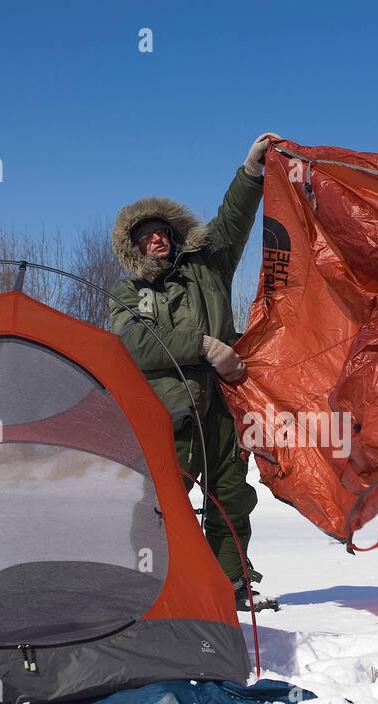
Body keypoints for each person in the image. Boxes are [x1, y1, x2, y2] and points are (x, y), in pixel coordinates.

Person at [109, 132, 279, 610]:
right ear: (135, 249)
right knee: (162, 500)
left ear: (174, 235)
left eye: (161, 231)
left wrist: (250, 173)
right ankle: (148, 584)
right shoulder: (128, 293)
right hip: (169, 411)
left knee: (230, 495)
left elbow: (232, 221)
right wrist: (203, 346)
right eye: (145, 237)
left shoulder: (209, 268)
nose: (156, 239)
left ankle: (233, 584)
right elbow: (132, 343)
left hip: (224, 404)